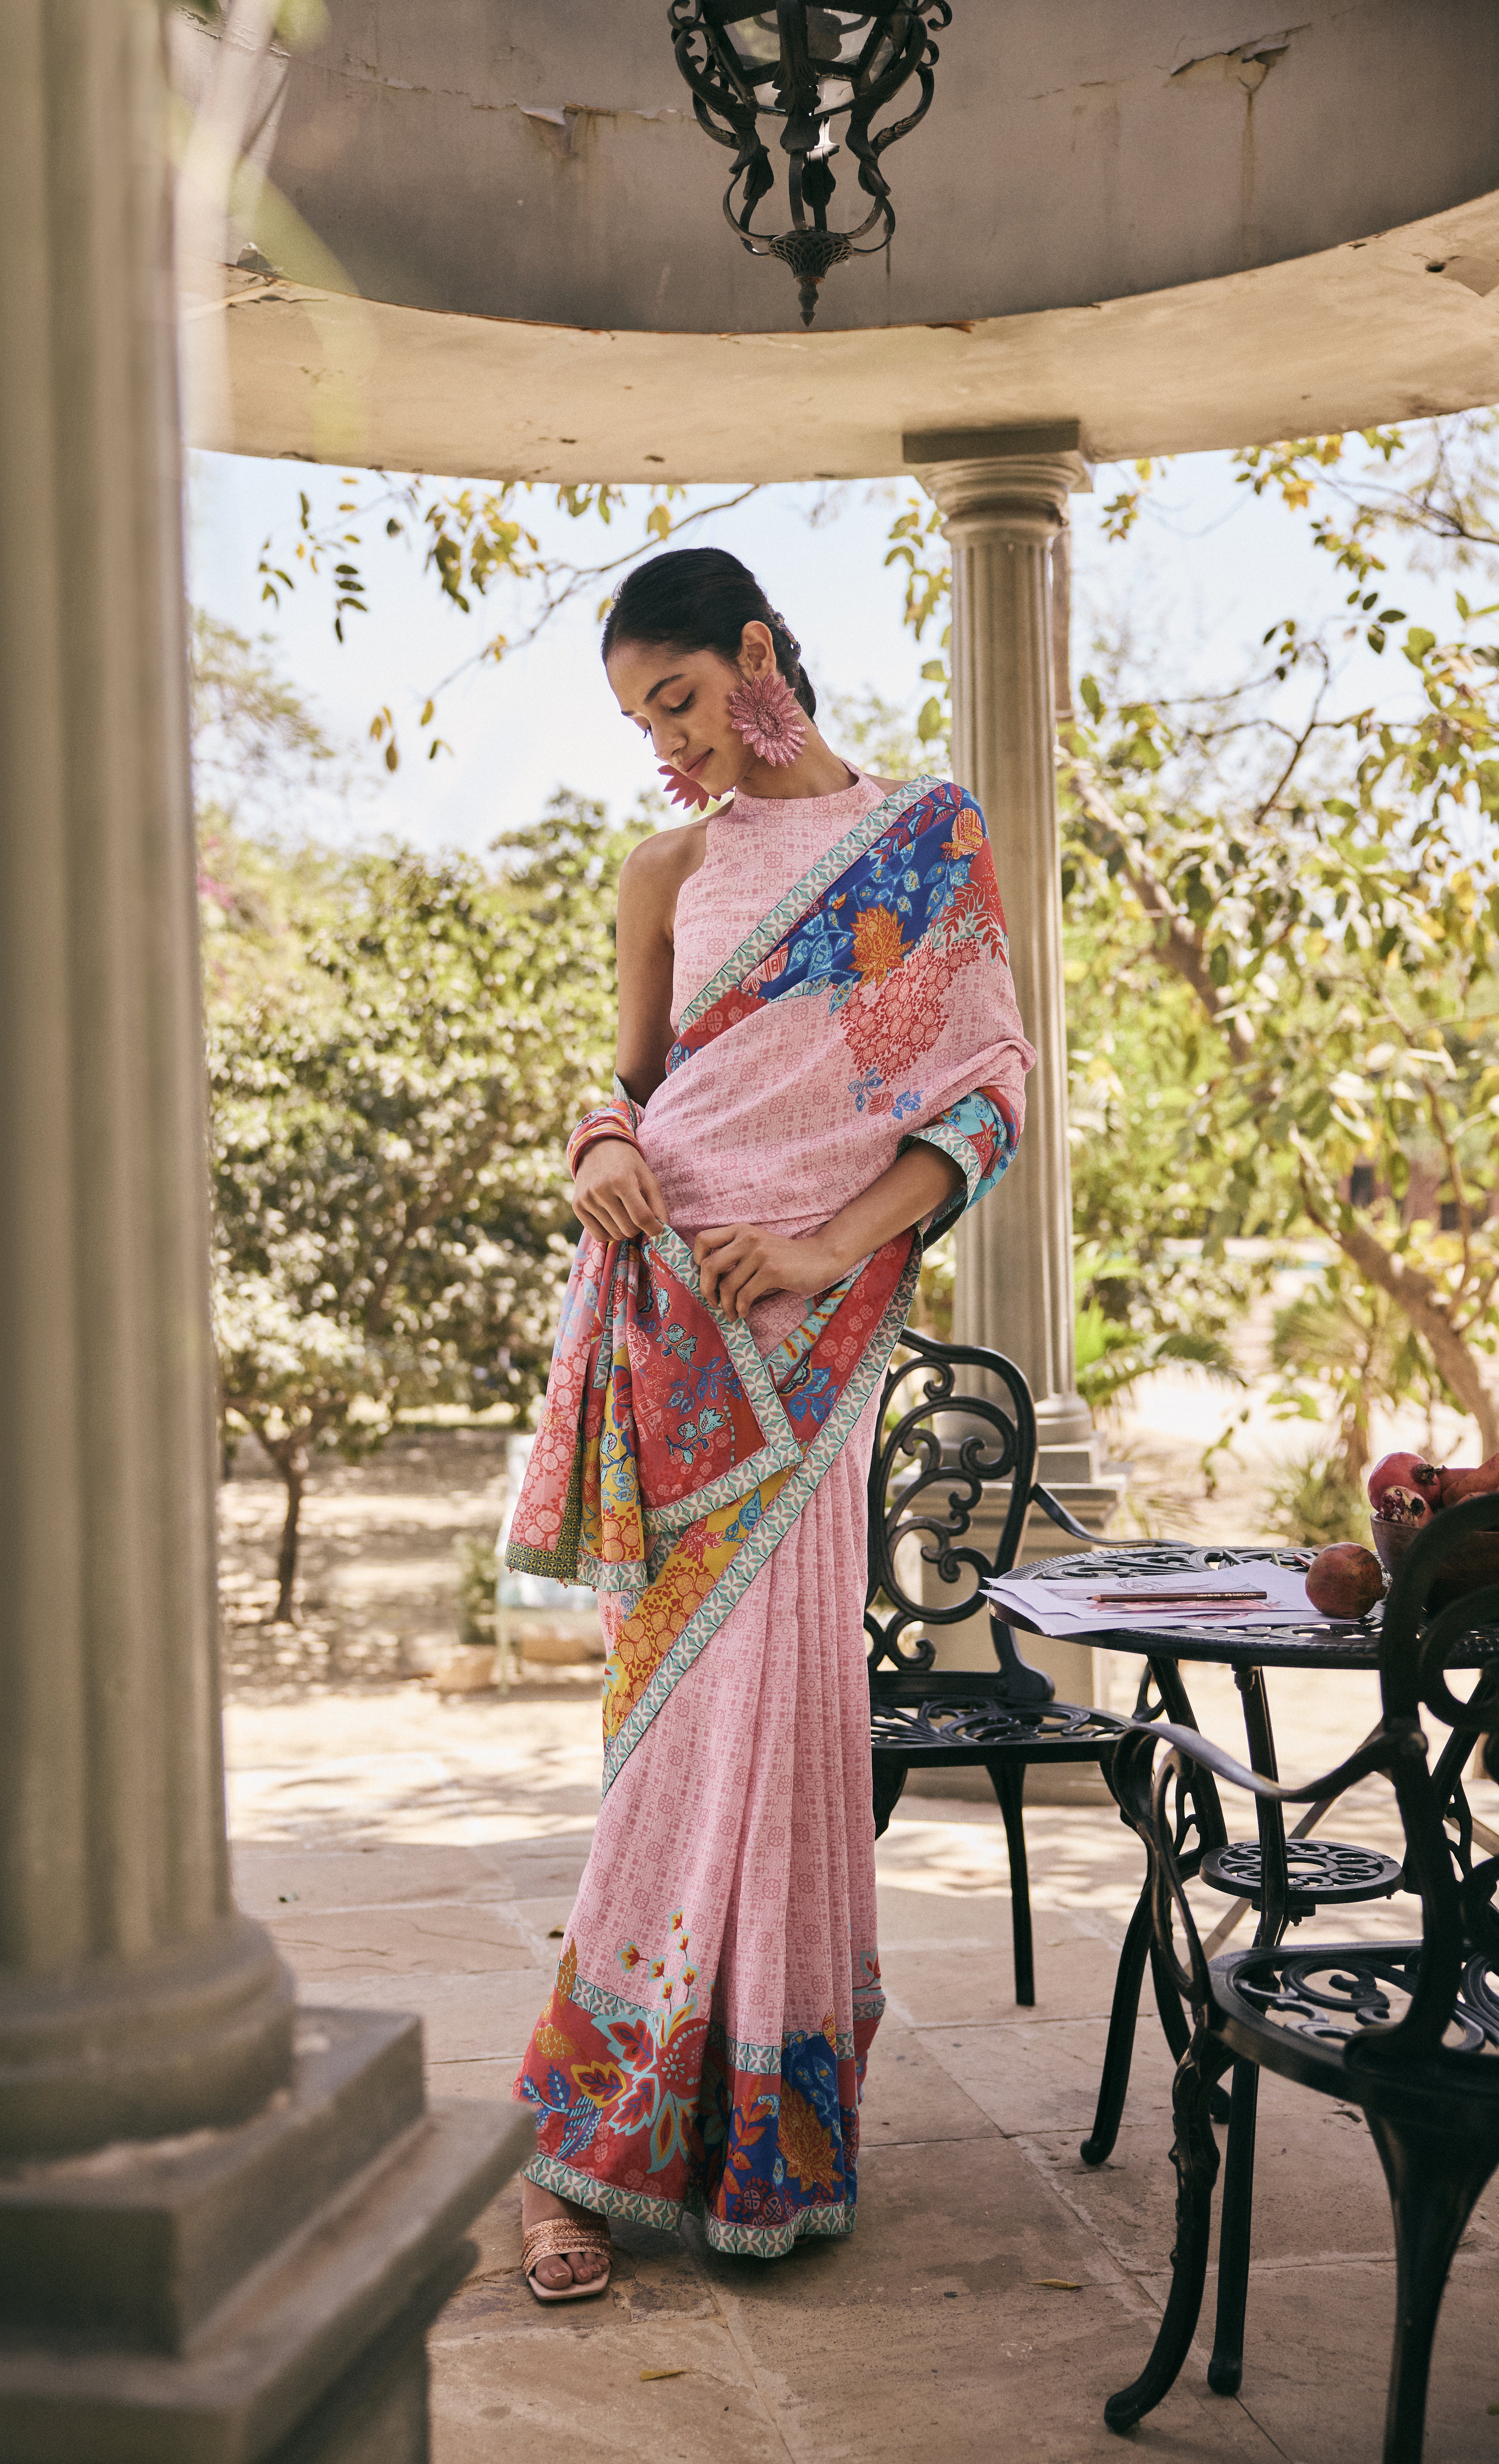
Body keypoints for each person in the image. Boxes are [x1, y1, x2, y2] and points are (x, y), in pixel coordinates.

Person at [504, 546, 1035, 2300]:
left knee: (791, 1733)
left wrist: (819, 1243)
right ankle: (577, 2152)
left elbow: (978, 1099)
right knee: (663, 1739)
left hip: (808, 1347)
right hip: (661, 1343)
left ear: (752, 653)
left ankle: (766, 2129)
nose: (666, 748)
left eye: (676, 700)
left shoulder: (925, 845)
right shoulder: (664, 867)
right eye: (639, 720)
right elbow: (637, 1086)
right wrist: (595, 1144)